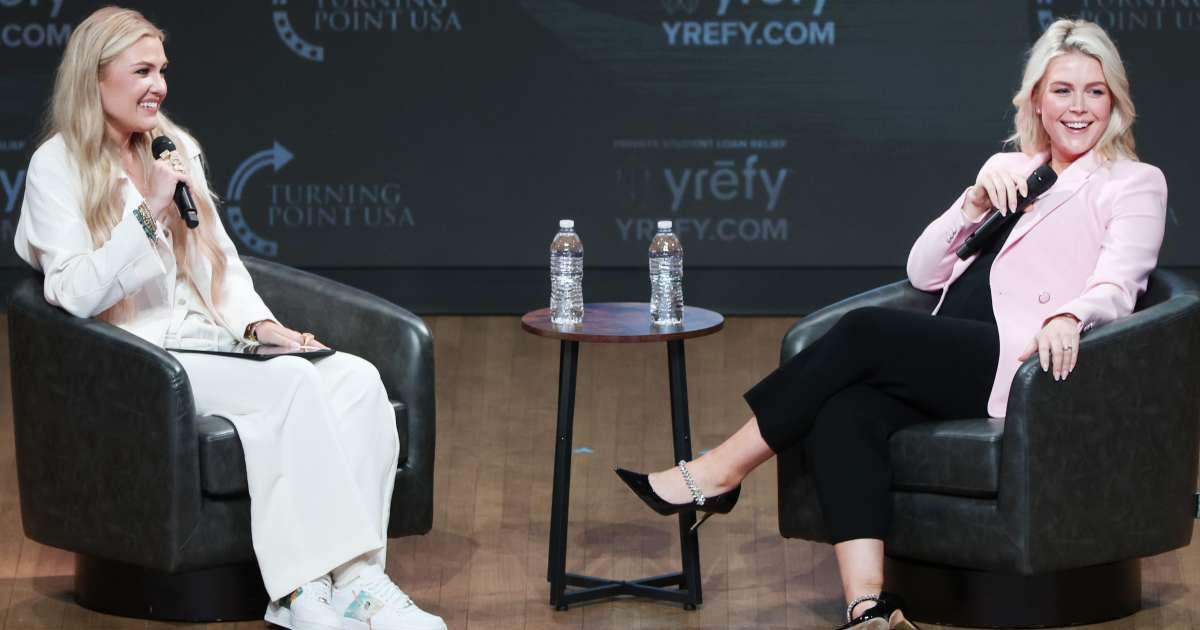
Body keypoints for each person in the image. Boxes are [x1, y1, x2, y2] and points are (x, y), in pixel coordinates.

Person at [615, 17, 1166, 630]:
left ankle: (719, 471)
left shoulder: (1131, 184)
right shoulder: (1013, 167)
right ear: (1036, 98)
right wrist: (974, 201)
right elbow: (924, 271)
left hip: (1017, 359)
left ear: (1114, 101)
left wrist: (1070, 313)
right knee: (844, 411)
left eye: (1095, 91)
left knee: (862, 333)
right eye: (1063, 90)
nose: (1079, 107)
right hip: (954, 348)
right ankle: (869, 608)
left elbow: (1121, 284)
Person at [13, 7, 445, 630]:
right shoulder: (59, 167)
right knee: (293, 386)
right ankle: (299, 595)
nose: (157, 85)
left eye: (161, 69)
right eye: (141, 71)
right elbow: (73, 294)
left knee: (355, 378)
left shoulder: (172, 145)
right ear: (95, 76)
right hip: (141, 361)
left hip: (208, 342)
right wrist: (146, 215)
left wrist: (260, 328)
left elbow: (219, 263)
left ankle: (357, 583)